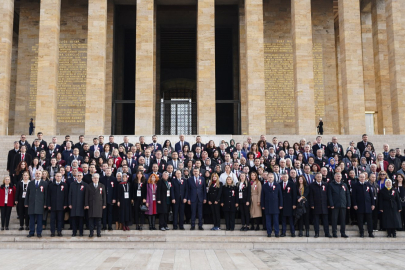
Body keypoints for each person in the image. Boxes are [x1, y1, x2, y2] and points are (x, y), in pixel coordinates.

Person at [25, 170, 48, 238]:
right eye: (37, 173)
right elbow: (27, 194)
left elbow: (46, 194)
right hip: (31, 204)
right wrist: (26, 202)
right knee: (31, 220)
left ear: (41, 175)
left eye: (39, 174)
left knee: (39, 220)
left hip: (40, 204)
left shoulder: (45, 183)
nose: (38, 175)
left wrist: (45, 203)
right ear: (35, 174)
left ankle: (39, 233)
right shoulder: (31, 183)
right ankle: (31, 232)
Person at [351, 173, 375, 238]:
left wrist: (373, 204)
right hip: (359, 205)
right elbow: (353, 196)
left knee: (369, 220)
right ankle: (361, 232)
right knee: (360, 220)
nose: (362, 178)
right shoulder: (355, 185)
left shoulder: (368, 184)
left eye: (363, 177)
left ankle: (370, 233)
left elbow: (371, 195)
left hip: (368, 205)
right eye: (361, 177)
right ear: (358, 178)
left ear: (365, 178)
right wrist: (355, 204)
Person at [327, 172, 351, 238]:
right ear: (334, 177)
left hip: (343, 204)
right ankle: (334, 233)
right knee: (334, 219)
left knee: (343, 220)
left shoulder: (344, 185)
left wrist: (348, 204)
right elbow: (330, 195)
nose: (338, 177)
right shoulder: (331, 185)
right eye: (337, 176)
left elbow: (347, 194)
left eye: (339, 176)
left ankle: (342, 232)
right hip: (335, 205)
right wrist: (331, 204)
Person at [309, 173, 331, 238]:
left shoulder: (326, 185)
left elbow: (328, 195)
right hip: (316, 205)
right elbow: (311, 196)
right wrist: (312, 204)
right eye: (318, 177)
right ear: (315, 177)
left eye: (320, 177)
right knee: (316, 221)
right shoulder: (312, 185)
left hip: (324, 205)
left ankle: (327, 233)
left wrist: (329, 204)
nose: (319, 178)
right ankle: (316, 233)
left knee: (325, 221)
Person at [47, 172, 68, 237]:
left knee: (60, 220)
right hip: (53, 206)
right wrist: (49, 205)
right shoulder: (51, 185)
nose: (58, 177)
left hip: (61, 206)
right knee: (52, 220)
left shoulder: (64, 185)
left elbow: (66, 196)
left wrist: (65, 204)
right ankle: (52, 232)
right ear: (55, 177)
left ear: (61, 177)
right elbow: (48, 196)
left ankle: (59, 231)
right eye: (57, 176)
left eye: (60, 176)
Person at [69, 172, 88, 237]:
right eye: (78, 175)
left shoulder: (85, 185)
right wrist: (70, 203)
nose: (79, 177)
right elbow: (70, 194)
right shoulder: (72, 184)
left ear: (82, 176)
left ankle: (81, 232)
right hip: (74, 204)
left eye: (80, 175)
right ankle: (74, 232)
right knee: (73, 219)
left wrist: (86, 204)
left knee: (81, 220)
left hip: (81, 205)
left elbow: (86, 196)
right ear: (76, 176)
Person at [280, 173, 297, 237]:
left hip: (290, 205)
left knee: (291, 220)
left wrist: (294, 204)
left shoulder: (292, 184)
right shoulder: (279, 184)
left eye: (286, 177)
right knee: (283, 219)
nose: (284, 178)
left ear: (288, 177)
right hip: (282, 205)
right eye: (283, 177)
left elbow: (294, 195)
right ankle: (283, 232)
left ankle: (293, 232)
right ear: (282, 177)